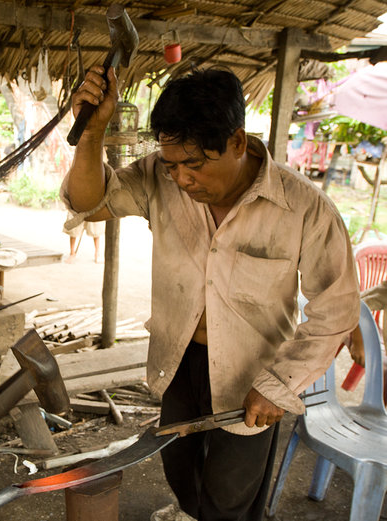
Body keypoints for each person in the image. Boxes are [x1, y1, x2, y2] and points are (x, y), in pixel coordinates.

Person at [62, 66, 360, 521]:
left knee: (231, 497)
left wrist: (280, 385)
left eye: (195, 164)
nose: (181, 179)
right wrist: (92, 132)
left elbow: (335, 308)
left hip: (253, 375)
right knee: (180, 472)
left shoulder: (304, 208)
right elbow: (88, 203)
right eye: (171, 165)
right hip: (178, 361)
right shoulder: (159, 180)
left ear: (238, 142)